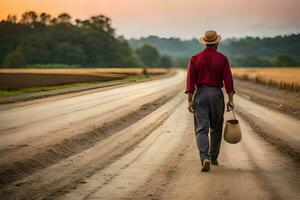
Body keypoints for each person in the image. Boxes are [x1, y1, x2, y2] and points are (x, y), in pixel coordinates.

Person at [185, 30, 235, 172]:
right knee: (216, 127)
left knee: (201, 129)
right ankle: (213, 157)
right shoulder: (223, 58)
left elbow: (190, 81)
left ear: (205, 42)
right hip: (216, 95)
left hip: (200, 94)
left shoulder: (195, 58)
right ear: (217, 43)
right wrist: (230, 99)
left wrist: (190, 100)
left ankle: (204, 157)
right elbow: (228, 80)